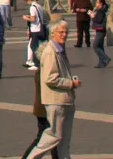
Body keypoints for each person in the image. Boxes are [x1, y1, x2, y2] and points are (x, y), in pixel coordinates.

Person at [27, 23, 80, 159]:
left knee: (64, 141)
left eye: (66, 32)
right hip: (56, 101)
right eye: (61, 32)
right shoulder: (51, 52)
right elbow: (50, 78)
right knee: (53, 136)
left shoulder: (60, 50)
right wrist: (70, 83)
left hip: (65, 100)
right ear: (53, 33)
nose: (64, 35)